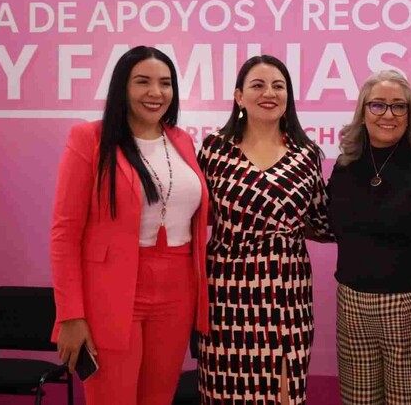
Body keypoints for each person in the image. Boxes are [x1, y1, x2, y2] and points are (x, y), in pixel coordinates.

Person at [50, 46, 210, 405]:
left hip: (178, 289)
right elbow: (65, 234)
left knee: (158, 398)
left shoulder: (181, 140)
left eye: (165, 83)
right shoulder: (89, 139)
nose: (156, 93)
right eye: (143, 82)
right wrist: (71, 316)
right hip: (112, 292)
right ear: (122, 87)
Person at [196, 54, 331, 404]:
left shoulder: (306, 154)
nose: (268, 93)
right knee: (225, 391)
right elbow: (196, 214)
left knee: (284, 392)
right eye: (257, 85)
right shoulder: (214, 150)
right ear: (239, 96)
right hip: (226, 293)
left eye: (278, 86)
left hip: (287, 290)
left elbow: (321, 221)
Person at [327, 70, 411, 404]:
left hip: (410, 309)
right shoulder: (344, 166)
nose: (388, 115)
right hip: (352, 306)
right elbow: (330, 226)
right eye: (378, 105)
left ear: (410, 115)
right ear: (363, 112)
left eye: (399, 107)